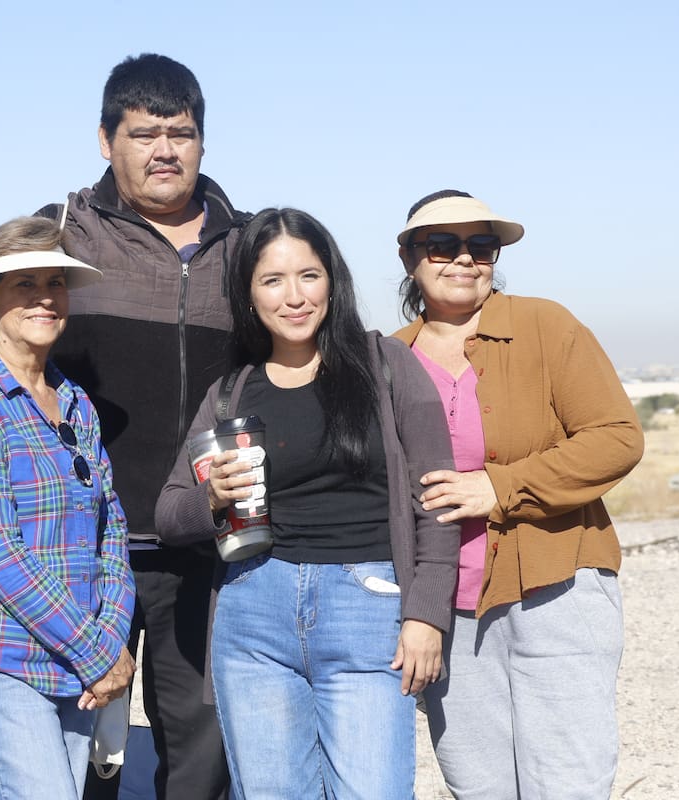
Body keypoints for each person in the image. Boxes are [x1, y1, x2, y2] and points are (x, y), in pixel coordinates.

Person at [0, 53, 246, 800]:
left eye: (180, 133)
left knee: (201, 758)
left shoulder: (249, 249)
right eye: (144, 133)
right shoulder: (57, 240)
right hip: (82, 559)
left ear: (202, 142)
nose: (164, 150)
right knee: (85, 757)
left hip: (207, 552)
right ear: (104, 139)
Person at [156, 207, 459, 798]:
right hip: (252, 614)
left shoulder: (386, 365)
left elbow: (438, 504)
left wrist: (426, 615)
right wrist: (211, 498)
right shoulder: (231, 392)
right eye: (272, 280)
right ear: (248, 295)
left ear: (333, 281)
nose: (293, 297)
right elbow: (169, 514)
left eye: (309, 276)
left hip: (367, 611)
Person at [392, 190, 645, 799]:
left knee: (567, 785)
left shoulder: (545, 325)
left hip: (557, 589)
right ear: (410, 259)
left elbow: (617, 438)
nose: (464, 259)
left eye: (481, 245)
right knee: (478, 787)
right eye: (442, 245)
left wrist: (498, 487)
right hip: (445, 606)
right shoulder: (388, 356)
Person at [0, 216, 136, 800]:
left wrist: (113, 634)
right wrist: (98, 651)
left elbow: (109, 526)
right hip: (3, 658)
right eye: (24, 284)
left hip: (78, 666)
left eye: (55, 281)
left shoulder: (75, 403)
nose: (45, 296)